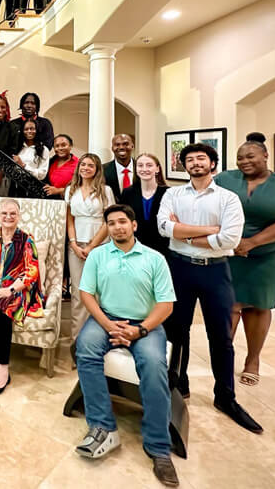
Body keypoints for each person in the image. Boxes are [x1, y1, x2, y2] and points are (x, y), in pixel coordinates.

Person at [157, 143, 262, 433]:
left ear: (212, 164)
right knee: (176, 331)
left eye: (201, 158)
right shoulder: (172, 195)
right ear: (184, 166)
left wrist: (185, 234)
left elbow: (229, 240)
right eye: (190, 160)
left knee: (221, 335)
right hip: (179, 268)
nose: (195, 163)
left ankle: (225, 397)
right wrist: (208, 231)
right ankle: (178, 386)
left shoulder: (228, 199)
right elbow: (165, 228)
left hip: (216, 271)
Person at [74, 204, 179, 487]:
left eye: (122, 221)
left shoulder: (154, 259)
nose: (117, 227)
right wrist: (108, 325)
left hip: (145, 324)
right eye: (111, 223)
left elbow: (166, 304)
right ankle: (103, 428)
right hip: (106, 318)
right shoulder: (98, 255)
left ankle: (158, 447)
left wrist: (138, 330)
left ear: (134, 225)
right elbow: (86, 294)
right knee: (85, 350)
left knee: (154, 366)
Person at [214, 132, 275, 386]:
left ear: (265, 155)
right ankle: (224, 360)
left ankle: (252, 360)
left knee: (258, 307)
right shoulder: (224, 179)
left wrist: (252, 242)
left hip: (265, 258)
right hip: (228, 255)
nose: (244, 161)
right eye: (240, 157)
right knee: (228, 307)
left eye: (250, 156)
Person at [0, 198, 44, 396]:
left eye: (13, 213)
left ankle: (3, 369)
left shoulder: (26, 240)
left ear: (18, 216)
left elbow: (32, 272)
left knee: (1, 314)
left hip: (17, 290)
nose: (8, 217)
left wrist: (10, 289)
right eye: (4, 213)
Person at [64, 153, 115, 341]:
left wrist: (92, 246)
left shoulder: (106, 191)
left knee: (98, 291)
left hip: (100, 246)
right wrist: (73, 244)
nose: (86, 168)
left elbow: (108, 221)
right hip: (76, 246)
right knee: (78, 292)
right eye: (83, 164)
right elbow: (70, 220)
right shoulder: (70, 190)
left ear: (97, 169)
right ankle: (77, 339)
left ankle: (97, 338)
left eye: (90, 165)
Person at [119, 153, 169, 257]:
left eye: (149, 165)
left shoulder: (168, 193)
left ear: (157, 169)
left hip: (162, 248)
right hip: (134, 247)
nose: (144, 169)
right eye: (140, 165)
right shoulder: (128, 193)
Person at [44, 134, 79, 198]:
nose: (60, 148)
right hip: (50, 200)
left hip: (69, 200)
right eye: (57, 146)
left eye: (63, 145)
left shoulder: (79, 164)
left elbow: (82, 187)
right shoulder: (49, 162)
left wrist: (59, 190)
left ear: (71, 146)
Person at [103, 133, 135, 199]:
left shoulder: (142, 168)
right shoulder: (102, 170)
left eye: (125, 144)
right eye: (117, 145)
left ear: (132, 146)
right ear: (112, 148)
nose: (121, 147)